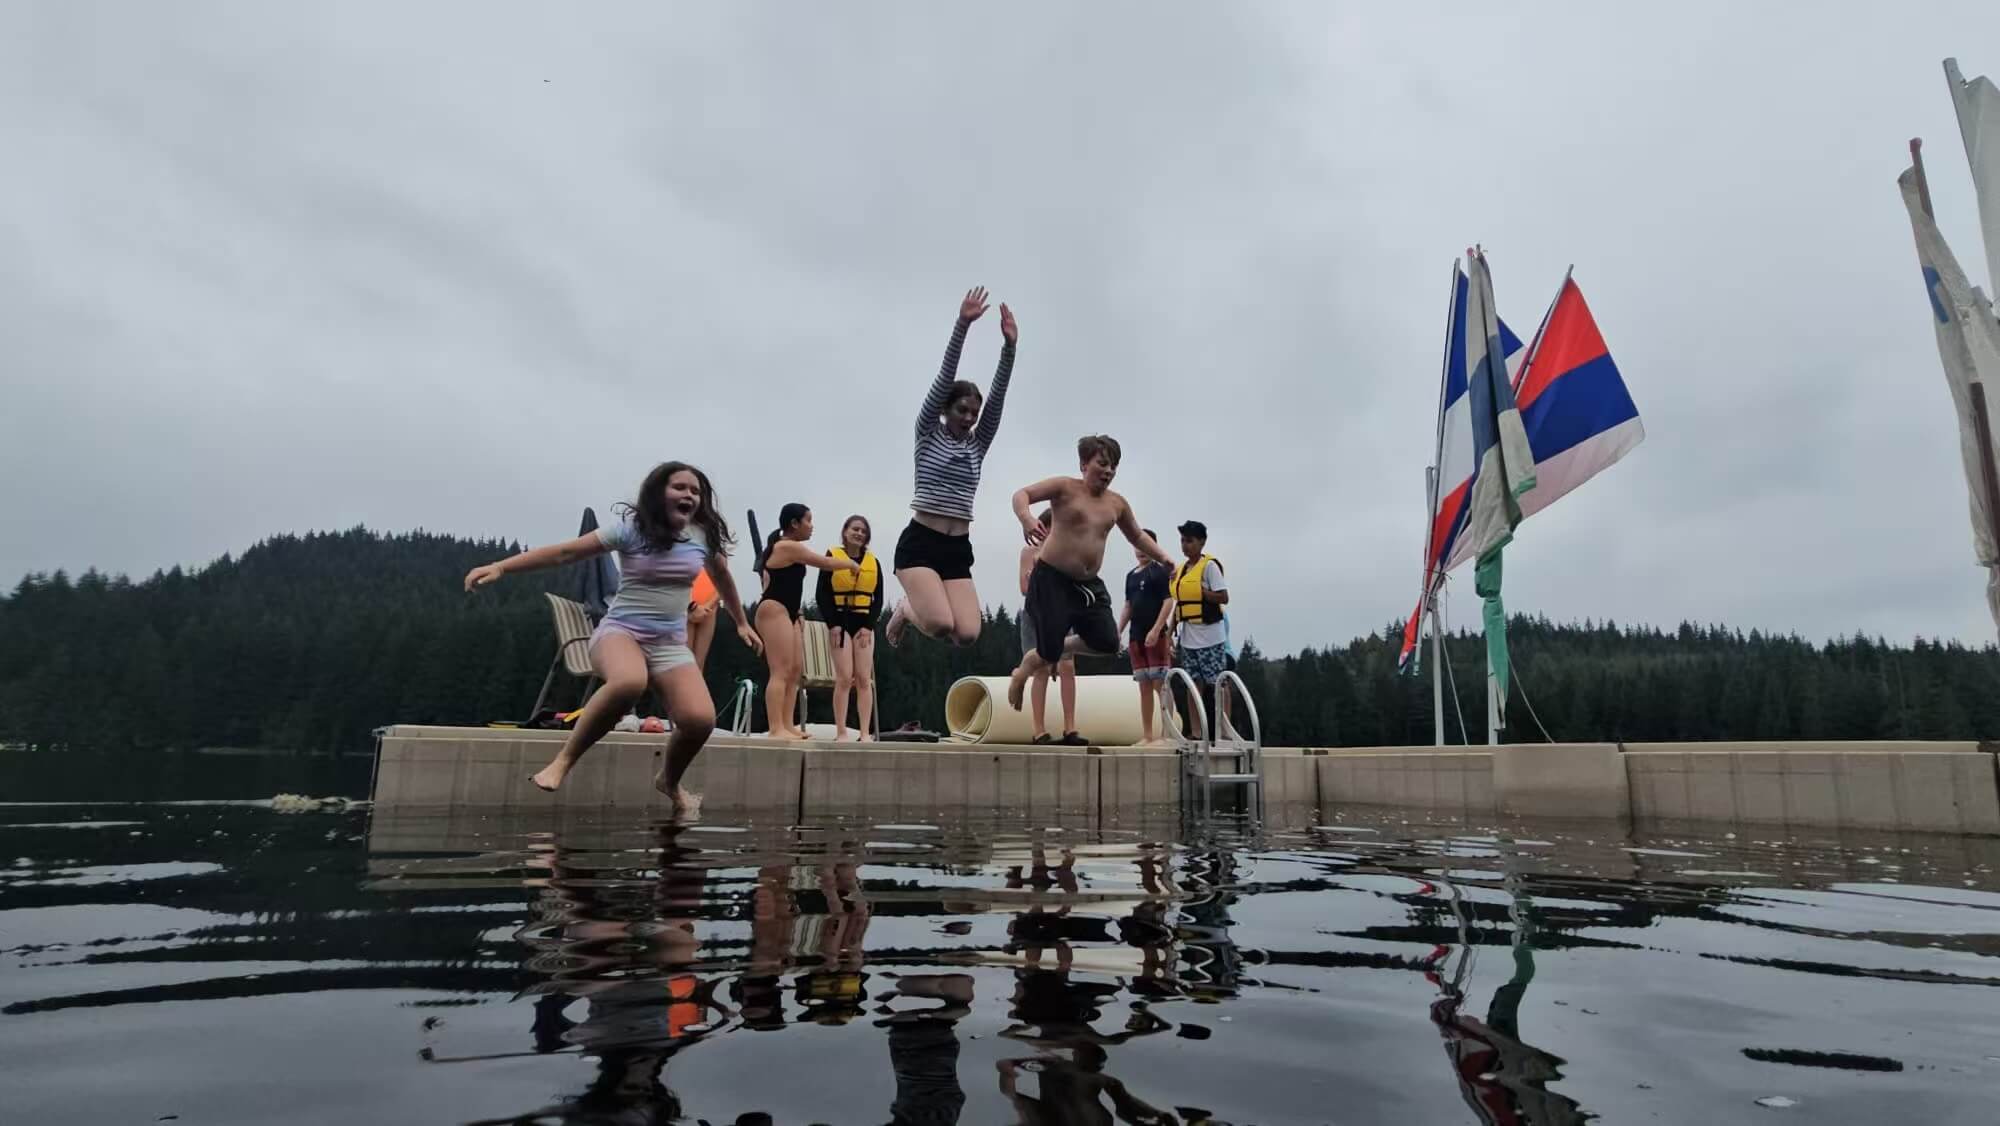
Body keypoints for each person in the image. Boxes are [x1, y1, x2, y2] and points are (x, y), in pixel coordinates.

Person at [463, 461, 759, 812]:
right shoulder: (631, 530)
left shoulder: (702, 537)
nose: (689, 495)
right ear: (658, 492)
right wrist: (501, 566)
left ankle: (669, 781)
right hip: (621, 632)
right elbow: (565, 552)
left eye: (695, 491)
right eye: (680, 487)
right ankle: (563, 761)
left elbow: (723, 578)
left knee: (700, 721)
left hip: (668, 644)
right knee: (629, 682)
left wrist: (741, 622)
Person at [884, 286, 1018, 648]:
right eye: (962, 410)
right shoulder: (927, 432)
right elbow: (945, 377)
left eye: (974, 413)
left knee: (968, 634)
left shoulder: (977, 444)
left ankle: (919, 609)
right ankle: (905, 609)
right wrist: (962, 325)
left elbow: (998, 398)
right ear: (945, 410)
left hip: (957, 546)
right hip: (920, 543)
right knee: (941, 624)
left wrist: (1009, 348)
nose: (969, 418)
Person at [1004, 436, 1175, 714]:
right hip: (1051, 579)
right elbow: (1021, 495)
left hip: (1087, 585)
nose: (1109, 471)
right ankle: (1024, 670)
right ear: (1084, 464)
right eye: (1103, 464)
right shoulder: (1064, 487)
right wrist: (1027, 518)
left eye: (1114, 467)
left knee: (1108, 642)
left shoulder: (1117, 504)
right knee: (1049, 652)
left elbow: (1137, 535)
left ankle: (1044, 654)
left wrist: (1163, 557)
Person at [756, 503, 859, 739]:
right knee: (780, 670)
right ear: (794, 523)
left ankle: (787, 725)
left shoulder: (788, 549)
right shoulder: (786, 546)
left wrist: (799, 612)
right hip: (774, 610)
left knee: (794, 671)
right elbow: (825, 563)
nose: (812, 526)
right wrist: (850, 563)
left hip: (791, 612)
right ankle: (775, 728)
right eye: (808, 520)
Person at [1148, 520, 1229, 741]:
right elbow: (1179, 605)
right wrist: (1169, 634)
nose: (1185, 545)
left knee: (1216, 684)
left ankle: (1222, 730)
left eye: (1190, 541)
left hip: (1210, 636)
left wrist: (1202, 593)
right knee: (1192, 685)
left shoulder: (1210, 566)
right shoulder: (1181, 570)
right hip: (1188, 637)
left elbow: (1223, 597)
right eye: (1183, 541)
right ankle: (1196, 732)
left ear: (1202, 542)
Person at [814, 515, 883, 741]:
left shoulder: (873, 562)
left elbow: (878, 598)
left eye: (863, 531)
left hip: (863, 625)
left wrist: (869, 626)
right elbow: (822, 594)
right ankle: (841, 732)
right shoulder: (832, 557)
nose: (859, 534)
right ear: (845, 531)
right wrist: (833, 624)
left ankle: (864, 733)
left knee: (863, 679)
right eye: (855, 529)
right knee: (844, 678)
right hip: (840, 623)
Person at [1017, 511, 1080, 745]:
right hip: (1035, 613)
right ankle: (1039, 730)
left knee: (1067, 666)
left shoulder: (1068, 551)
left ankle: (1070, 727)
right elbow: (1024, 588)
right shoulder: (1029, 552)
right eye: (1047, 526)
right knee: (1040, 669)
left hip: (1061, 612)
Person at [1116, 530, 1175, 745]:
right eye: (1137, 546)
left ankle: (1167, 733)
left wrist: (1157, 628)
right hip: (1136, 635)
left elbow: (1168, 601)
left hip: (1155, 635)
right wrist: (1119, 630)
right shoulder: (1131, 576)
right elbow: (1128, 605)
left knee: (1161, 684)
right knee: (1144, 686)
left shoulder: (1159, 571)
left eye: (1145, 546)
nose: (1141, 550)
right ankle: (1148, 734)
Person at [686, 568, 722, 670]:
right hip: (685, 608)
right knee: (685, 662)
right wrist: (691, 605)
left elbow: (723, 581)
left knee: (699, 664)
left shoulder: (717, 558)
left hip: (709, 610)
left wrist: (708, 606)